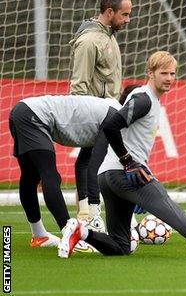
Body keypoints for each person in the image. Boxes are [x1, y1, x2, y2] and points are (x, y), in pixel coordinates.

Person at [58, 51, 186, 260]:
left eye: (173, 74)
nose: (169, 78)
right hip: (123, 173)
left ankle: (81, 231)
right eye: (163, 73)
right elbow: (111, 126)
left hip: (109, 176)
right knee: (172, 211)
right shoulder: (144, 99)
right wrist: (128, 162)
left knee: (122, 246)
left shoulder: (149, 99)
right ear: (150, 73)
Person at [8, 89, 136, 248]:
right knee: (50, 176)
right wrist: (94, 213)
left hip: (22, 111)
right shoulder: (113, 117)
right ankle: (69, 231)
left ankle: (39, 236)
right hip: (34, 116)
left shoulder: (106, 112)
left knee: (30, 176)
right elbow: (94, 168)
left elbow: (83, 164)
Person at [68, 0, 132, 229]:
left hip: (108, 111)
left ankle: (89, 213)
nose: (127, 20)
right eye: (124, 15)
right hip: (94, 113)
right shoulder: (88, 41)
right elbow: (79, 85)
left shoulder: (108, 36)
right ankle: (89, 215)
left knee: (92, 160)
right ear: (109, 12)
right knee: (89, 162)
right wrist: (84, 117)